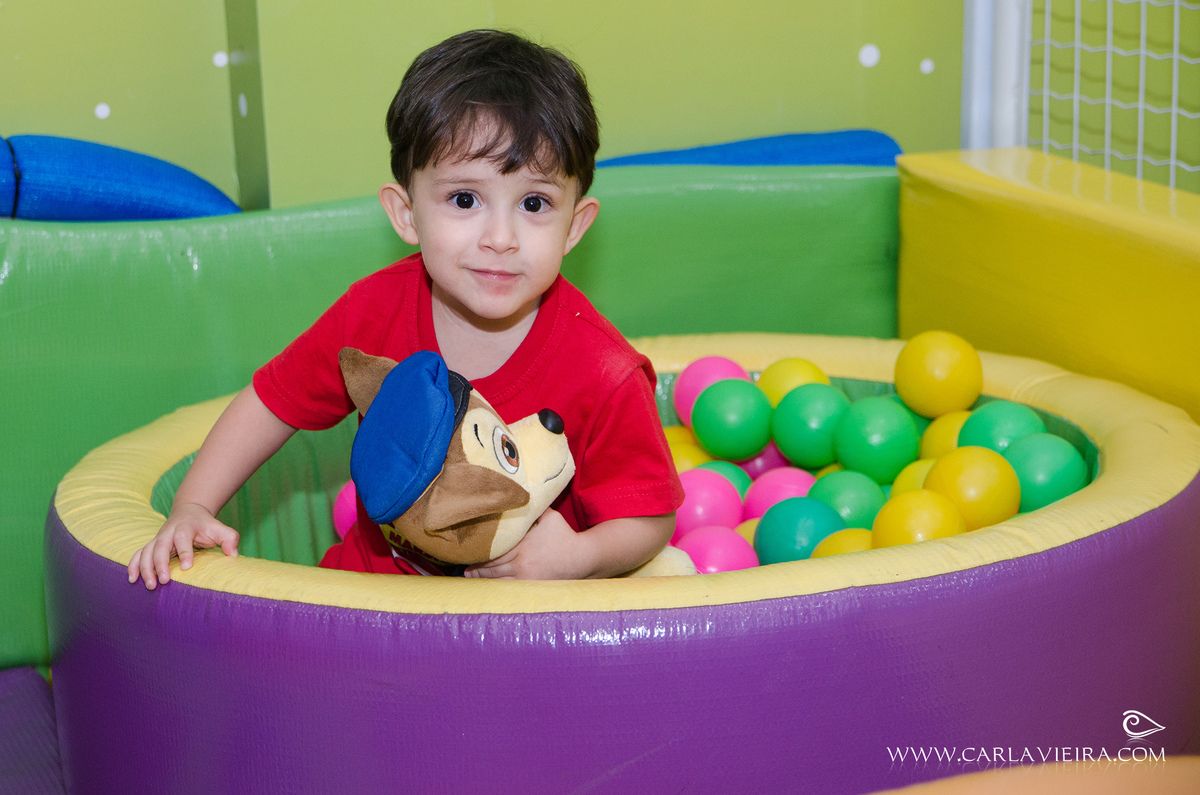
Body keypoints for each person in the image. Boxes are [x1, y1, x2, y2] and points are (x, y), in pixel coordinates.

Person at [128, 29, 683, 586]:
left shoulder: (603, 371)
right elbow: (271, 403)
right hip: (377, 596)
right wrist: (194, 507)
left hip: (524, 626)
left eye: (534, 204)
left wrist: (578, 558)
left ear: (574, 227)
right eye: (464, 199)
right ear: (406, 214)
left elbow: (650, 519)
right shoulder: (373, 312)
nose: (500, 237)